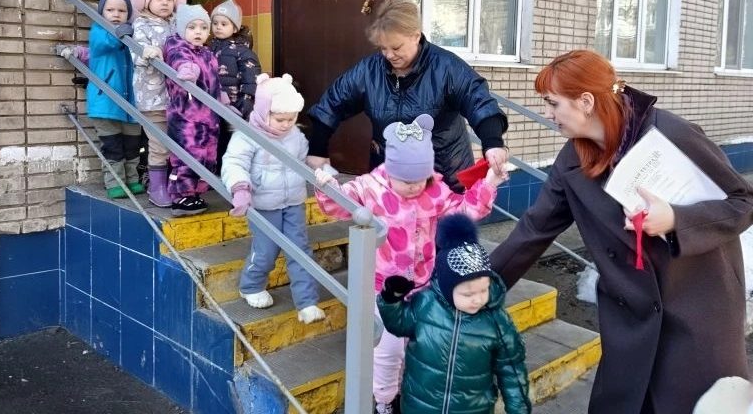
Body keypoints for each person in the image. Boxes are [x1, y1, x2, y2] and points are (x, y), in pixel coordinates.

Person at [488, 49, 753, 414]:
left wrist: (675, 219)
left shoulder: (670, 132)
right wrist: (477, 286)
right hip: (631, 323)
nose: (546, 114)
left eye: (552, 103)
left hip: (698, 316)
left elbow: (743, 201)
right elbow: (533, 230)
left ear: (585, 102)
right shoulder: (571, 160)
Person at [314, 113, 504, 413]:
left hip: (423, 287)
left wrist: (489, 182)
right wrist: (328, 186)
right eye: (406, 180)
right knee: (387, 351)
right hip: (384, 290)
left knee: (418, 347)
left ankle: (408, 395)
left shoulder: (435, 191)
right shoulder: (372, 187)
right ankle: (384, 400)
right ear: (391, 170)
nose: (415, 187)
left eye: (420, 179)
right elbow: (340, 204)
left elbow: (464, 211)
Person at [306, 0, 509, 192]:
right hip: (389, 180)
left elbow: (479, 102)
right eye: (383, 48)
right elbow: (333, 103)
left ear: (415, 35)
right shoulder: (369, 70)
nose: (389, 55)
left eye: (396, 47)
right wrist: (317, 149)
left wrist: (492, 143)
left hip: (443, 180)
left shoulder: (446, 67)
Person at [377, 213, 531, 414]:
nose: (477, 299)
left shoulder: (496, 322)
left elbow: (512, 371)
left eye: (483, 290)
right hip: (420, 405)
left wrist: (519, 409)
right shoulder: (426, 305)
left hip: (472, 409)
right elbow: (397, 324)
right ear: (447, 288)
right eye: (468, 294)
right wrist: (390, 299)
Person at [221, 73, 326, 325]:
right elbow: (234, 163)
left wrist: (322, 172)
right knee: (266, 250)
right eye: (280, 119)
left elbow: (305, 160)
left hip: (293, 202)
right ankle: (251, 285)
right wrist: (240, 188)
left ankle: (307, 302)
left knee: (300, 250)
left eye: (292, 119)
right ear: (263, 111)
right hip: (264, 205)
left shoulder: (295, 135)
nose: (286, 124)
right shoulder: (247, 136)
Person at [62, 0, 141, 198]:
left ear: (128, 13)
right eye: (110, 10)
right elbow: (108, 43)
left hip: (131, 103)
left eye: (122, 11)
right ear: (101, 12)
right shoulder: (99, 30)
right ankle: (115, 183)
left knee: (132, 145)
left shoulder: (131, 33)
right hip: (105, 101)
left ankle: (132, 180)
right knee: (112, 145)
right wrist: (123, 33)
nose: (116, 14)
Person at [130, 0, 187, 207]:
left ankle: (175, 184)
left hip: (177, 98)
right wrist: (148, 52)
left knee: (178, 143)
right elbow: (136, 54)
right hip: (152, 98)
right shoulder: (141, 24)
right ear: (144, 1)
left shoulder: (177, 24)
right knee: (159, 145)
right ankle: (157, 188)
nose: (165, 2)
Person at [163, 4, 222, 216]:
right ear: (181, 29)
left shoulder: (208, 54)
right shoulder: (177, 47)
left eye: (203, 28)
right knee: (188, 154)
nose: (198, 32)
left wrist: (224, 101)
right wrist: (187, 69)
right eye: (192, 27)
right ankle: (181, 196)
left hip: (209, 116)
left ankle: (195, 193)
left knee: (207, 154)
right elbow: (180, 61)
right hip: (186, 114)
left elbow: (215, 82)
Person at [209, 0, 261, 168]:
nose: (218, 27)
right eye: (215, 23)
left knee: (233, 143)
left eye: (224, 24)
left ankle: (232, 171)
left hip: (235, 107)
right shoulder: (208, 48)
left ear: (235, 28)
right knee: (215, 140)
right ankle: (216, 170)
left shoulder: (244, 52)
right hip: (213, 105)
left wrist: (246, 102)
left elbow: (251, 79)